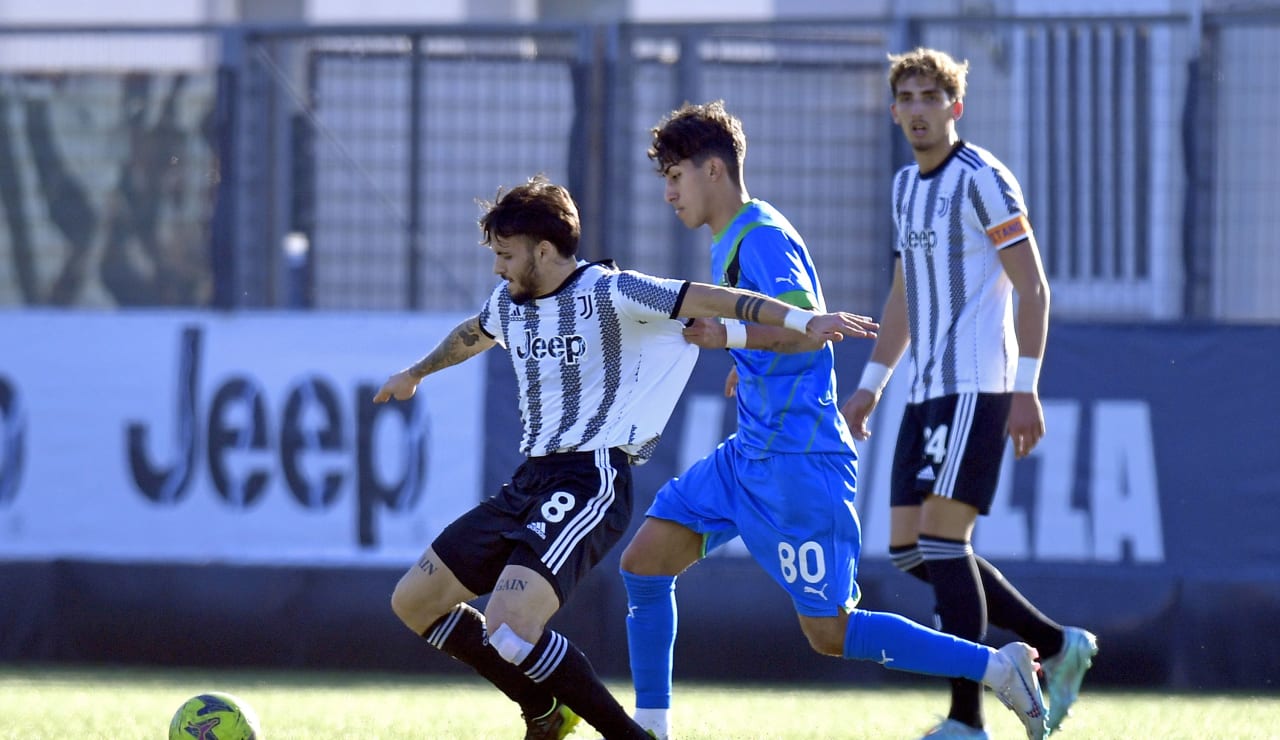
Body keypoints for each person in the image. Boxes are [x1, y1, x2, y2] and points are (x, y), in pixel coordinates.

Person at [373, 174, 878, 740]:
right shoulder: (508, 302)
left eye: (505, 255)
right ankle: (544, 712)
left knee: (509, 625)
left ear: (543, 250)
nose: (497, 268)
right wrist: (416, 372)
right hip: (529, 481)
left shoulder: (612, 292)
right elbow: (475, 332)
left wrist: (802, 319)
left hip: (590, 479)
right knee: (414, 602)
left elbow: (710, 298)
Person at [617, 100, 1049, 740]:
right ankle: (650, 728)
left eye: (675, 176)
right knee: (644, 562)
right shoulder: (733, 238)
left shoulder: (759, 235)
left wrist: (728, 336)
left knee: (831, 632)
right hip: (750, 455)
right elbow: (779, 330)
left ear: (714, 170)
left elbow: (806, 331)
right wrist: (745, 353)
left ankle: (996, 665)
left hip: (798, 462)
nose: (668, 194)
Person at [839, 48, 1099, 739]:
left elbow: (1035, 288)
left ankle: (967, 721)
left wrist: (1026, 389)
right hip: (924, 392)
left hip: (978, 386)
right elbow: (903, 292)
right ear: (894, 111)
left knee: (944, 543)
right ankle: (1055, 642)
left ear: (957, 108)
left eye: (933, 97)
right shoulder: (904, 187)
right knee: (909, 551)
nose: (919, 109)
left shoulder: (983, 180)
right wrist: (871, 384)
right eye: (908, 98)